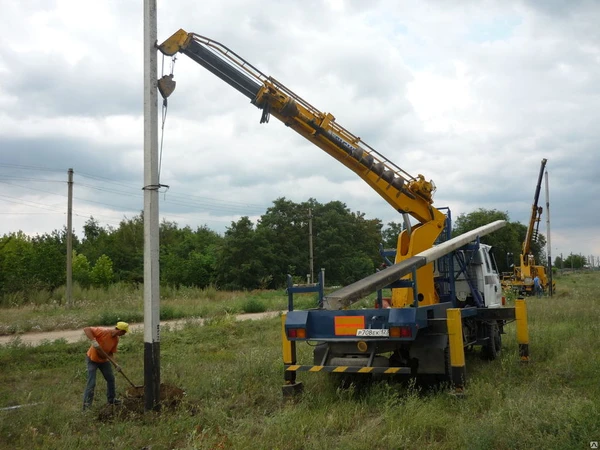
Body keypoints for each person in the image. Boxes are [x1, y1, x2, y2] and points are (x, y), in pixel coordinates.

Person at [82, 321, 129, 410]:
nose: (124, 334)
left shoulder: (116, 339)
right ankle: (86, 408)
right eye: (124, 332)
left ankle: (111, 400)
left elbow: (110, 353)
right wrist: (94, 341)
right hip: (92, 360)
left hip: (104, 361)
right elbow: (86, 329)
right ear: (119, 330)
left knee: (111, 379)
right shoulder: (103, 331)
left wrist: (116, 364)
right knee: (91, 383)